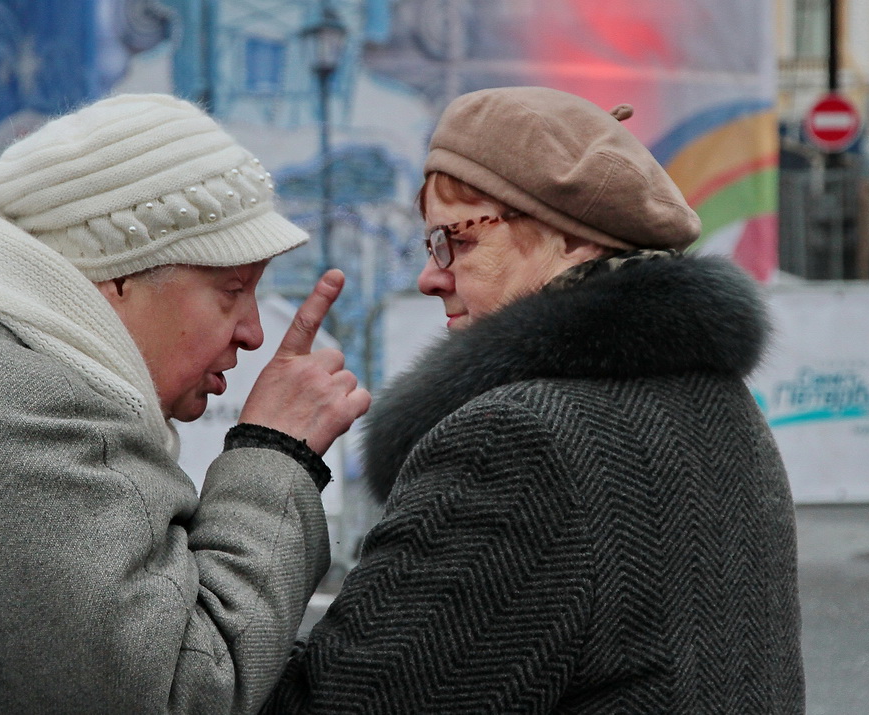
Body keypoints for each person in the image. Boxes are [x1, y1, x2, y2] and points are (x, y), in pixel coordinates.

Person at [0, 93, 370, 713]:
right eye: (231, 290)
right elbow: (184, 694)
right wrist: (275, 451)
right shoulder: (24, 410)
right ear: (119, 277)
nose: (253, 331)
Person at [262, 86, 804, 713]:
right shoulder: (716, 400)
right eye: (430, 245)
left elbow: (341, 703)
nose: (429, 276)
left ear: (572, 240)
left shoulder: (520, 439)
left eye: (457, 241)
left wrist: (273, 461)